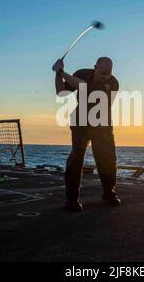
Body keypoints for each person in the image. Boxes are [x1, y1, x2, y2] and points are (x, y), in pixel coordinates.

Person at [53, 57, 121, 211]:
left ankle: (109, 193)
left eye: (108, 73)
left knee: (108, 158)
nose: (105, 76)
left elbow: (85, 88)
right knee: (77, 156)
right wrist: (58, 73)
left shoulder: (113, 83)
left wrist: (62, 72)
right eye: (102, 73)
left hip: (102, 124)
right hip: (80, 122)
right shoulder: (82, 74)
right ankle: (71, 200)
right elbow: (61, 92)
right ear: (95, 67)